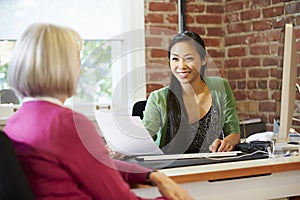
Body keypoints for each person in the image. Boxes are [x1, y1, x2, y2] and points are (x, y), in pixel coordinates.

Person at [4, 23, 192, 200]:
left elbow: (95, 163)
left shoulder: (17, 122)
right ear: (65, 67)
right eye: (78, 59)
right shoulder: (66, 124)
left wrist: (150, 175)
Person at [143, 31, 240, 154]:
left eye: (188, 58)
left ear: (204, 59)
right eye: (175, 59)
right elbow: (145, 135)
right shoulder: (158, 98)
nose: (181, 65)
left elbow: (234, 132)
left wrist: (227, 142)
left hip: (211, 165)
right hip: (171, 168)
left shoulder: (220, 88)